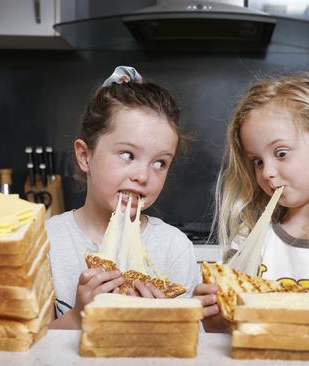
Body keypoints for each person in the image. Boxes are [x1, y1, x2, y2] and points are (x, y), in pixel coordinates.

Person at [194, 72, 309, 334]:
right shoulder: (250, 238)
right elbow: (229, 335)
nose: (266, 171)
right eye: (257, 160)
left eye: (281, 153)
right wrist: (215, 319)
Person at [47, 66, 199, 329]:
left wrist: (166, 326)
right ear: (85, 156)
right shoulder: (47, 243)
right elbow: (27, 348)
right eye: (128, 155)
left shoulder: (174, 248)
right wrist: (76, 317)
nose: (143, 175)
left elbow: (192, 347)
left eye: (160, 163)